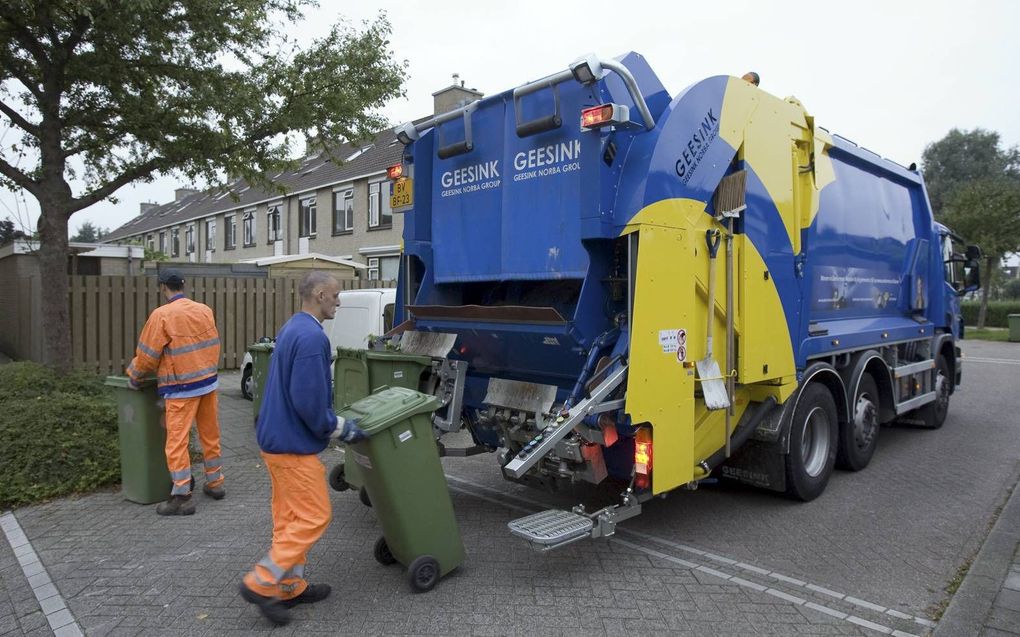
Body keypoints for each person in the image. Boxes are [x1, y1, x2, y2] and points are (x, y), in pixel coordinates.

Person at [240, 271, 367, 626]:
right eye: (336, 296)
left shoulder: (292, 327)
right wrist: (340, 428)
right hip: (293, 446)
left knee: (290, 519)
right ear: (321, 294)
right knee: (314, 516)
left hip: (275, 440)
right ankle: (261, 582)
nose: (339, 302)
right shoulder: (312, 337)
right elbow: (310, 402)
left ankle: (289, 586)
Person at [126, 268, 224, 515]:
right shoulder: (204, 310)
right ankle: (215, 483)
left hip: (181, 388)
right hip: (207, 383)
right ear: (183, 285)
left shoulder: (162, 315)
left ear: (163, 287)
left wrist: (134, 377)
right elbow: (212, 345)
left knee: (176, 442)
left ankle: (182, 496)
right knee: (209, 435)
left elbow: (147, 355)